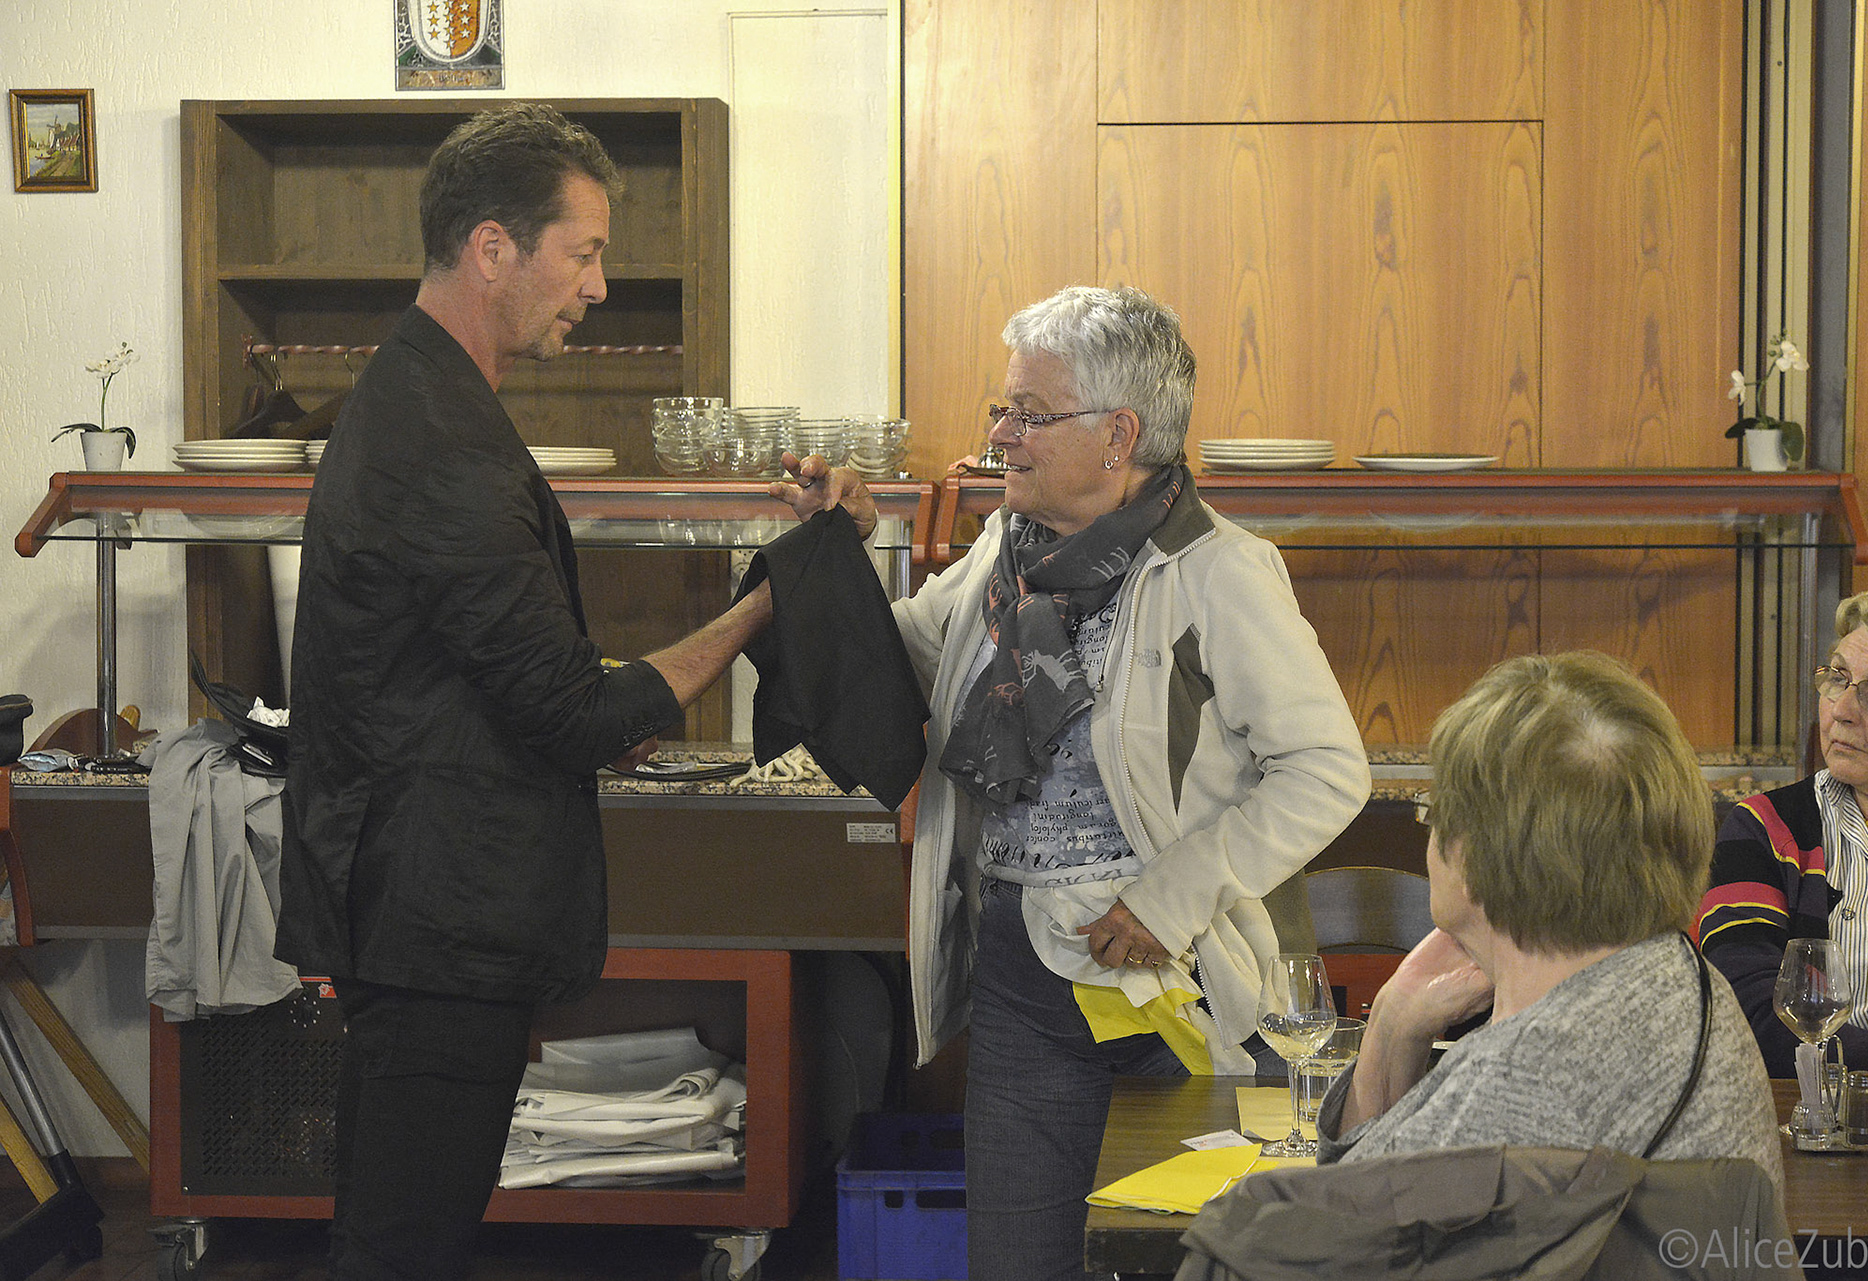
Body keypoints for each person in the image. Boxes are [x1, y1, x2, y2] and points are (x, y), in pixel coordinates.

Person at [774, 285, 1370, 1281]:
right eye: (1002, 409)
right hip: (1021, 981)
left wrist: (1173, 897)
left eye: (1028, 415)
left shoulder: (1219, 572)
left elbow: (1326, 769)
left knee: (1169, 1262)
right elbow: (911, 657)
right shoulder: (1005, 553)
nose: (1000, 434)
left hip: (1166, 987)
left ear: (1117, 435)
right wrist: (846, 546)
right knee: (1017, 1262)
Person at [276, 104, 773, 1280]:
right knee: (403, 1247)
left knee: (406, 1235)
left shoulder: (425, 396)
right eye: (585, 252)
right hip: (435, 920)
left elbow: (495, 674)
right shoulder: (439, 439)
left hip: (425, 905)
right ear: (494, 248)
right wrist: (764, 608)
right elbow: (571, 718)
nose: (598, 286)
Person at [1313, 652, 1783, 1193]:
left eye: (1435, 808)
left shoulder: (1523, 1077)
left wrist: (1389, 1030)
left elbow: (1350, 1229)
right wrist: (1396, 1022)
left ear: (1470, 857)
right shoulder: (1682, 981)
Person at [1700, 582, 1868, 1079]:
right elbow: (1744, 1008)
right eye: (1838, 678)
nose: (1842, 709)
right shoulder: (1762, 829)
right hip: (1811, 1129)